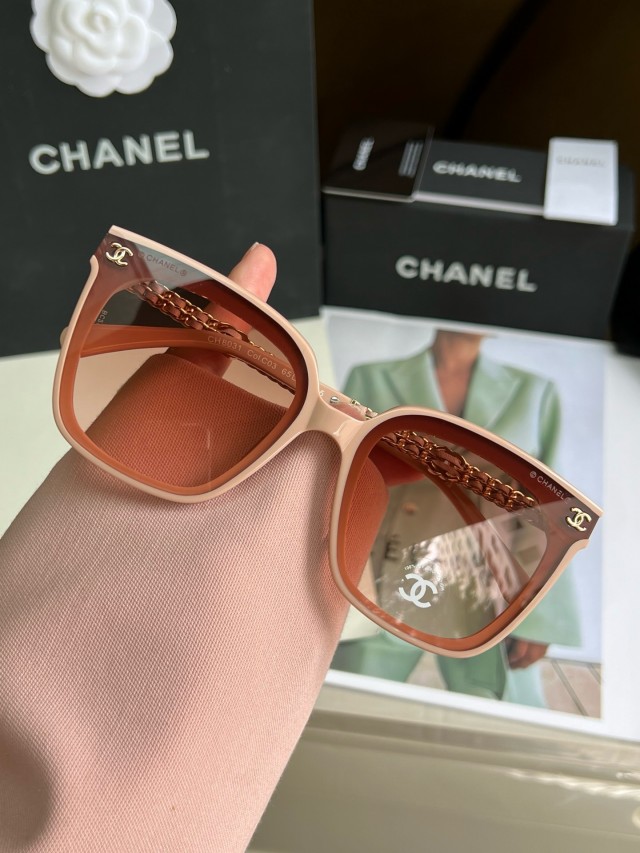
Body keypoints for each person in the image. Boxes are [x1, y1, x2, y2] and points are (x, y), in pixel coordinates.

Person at [332, 329, 581, 707]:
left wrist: (539, 614)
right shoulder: (372, 377)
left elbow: (554, 506)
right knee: (348, 706)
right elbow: (342, 478)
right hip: (382, 574)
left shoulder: (534, 391)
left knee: (505, 720)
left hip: (490, 586)